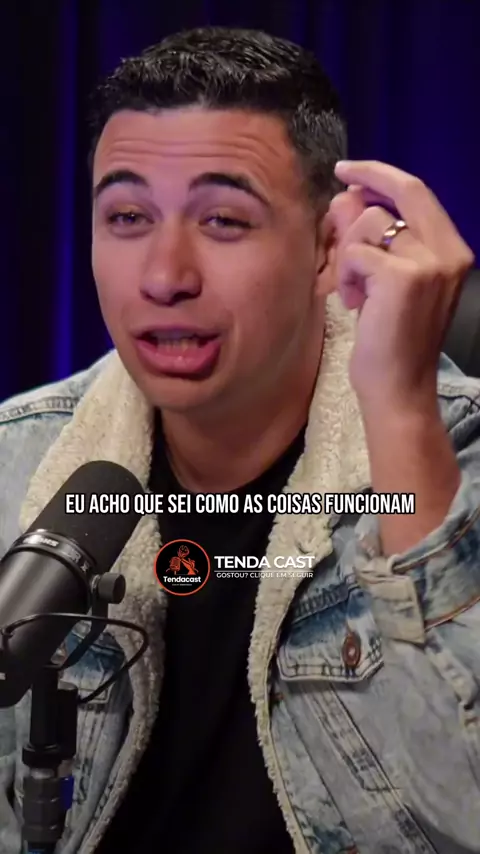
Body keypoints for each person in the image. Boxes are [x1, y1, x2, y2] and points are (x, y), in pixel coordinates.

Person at [0, 24, 479, 854]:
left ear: (327, 250)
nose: (164, 277)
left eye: (223, 220)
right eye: (126, 217)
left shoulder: (455, 450)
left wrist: (402, 413)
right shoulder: (21, 463)